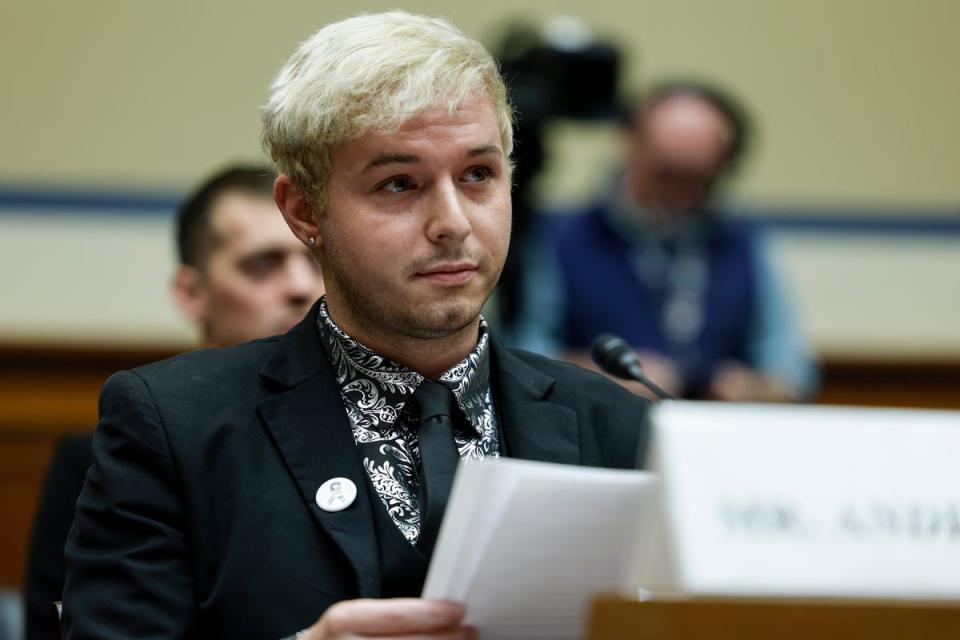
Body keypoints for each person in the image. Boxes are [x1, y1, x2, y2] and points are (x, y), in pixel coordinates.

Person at [62, 11, 649, 639]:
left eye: (478, 175)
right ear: (304, 211)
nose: (452, 222)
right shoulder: (173, 426)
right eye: (399, 183)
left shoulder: (618, 426)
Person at [23, 165, 324, 640]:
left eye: (314, 260)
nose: (301, 287)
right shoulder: (101, 460)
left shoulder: (362, 429)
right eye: (262, 264)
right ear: (191, 293)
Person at [549, 81, 817, 401]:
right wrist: (599, 376)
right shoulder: (562, 236)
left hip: (712, 432)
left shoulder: (743, 240)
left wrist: (756, 387)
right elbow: (525, 353)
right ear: (631, 149)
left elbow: (789, 363)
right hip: (593, 427)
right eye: (665, 174)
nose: (676, 193)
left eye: (695, 179)